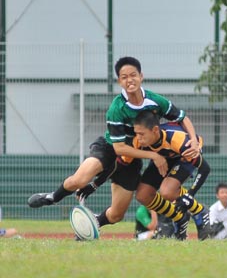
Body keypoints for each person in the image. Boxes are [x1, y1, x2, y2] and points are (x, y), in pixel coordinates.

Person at [28, 56, 200, 240]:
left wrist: (194, 142)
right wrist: (154, 156)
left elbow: (182, 117)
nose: (129, 80)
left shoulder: (155, 101)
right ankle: (53, 197)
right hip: (108, 148)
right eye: (124, 77)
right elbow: (119, 150)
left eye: (133, 75)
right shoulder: (116, 108)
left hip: (132, 160)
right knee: (79, 180)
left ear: (141, 76)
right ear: (119, 81)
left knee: (117, 215)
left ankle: (93, 225)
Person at [130, 110, 213, 240]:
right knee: (142, 195)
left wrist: (189, 195)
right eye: (136, 134)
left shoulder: (178, 139)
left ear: (155, 130)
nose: (138, 138)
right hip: (164, 156)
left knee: (167, 191)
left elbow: (205, 168)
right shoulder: (137, 141)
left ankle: (200, 211)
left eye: (141, 134)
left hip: (183, 154)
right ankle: (180, 218)